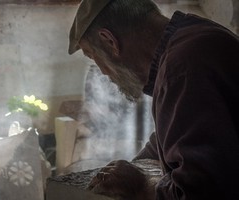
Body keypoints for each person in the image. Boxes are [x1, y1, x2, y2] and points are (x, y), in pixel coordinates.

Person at [68, 0, 239, 199]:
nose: (104, 73)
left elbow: (199, 192)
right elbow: (181, 133)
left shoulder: (182, 68)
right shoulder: (194, 35)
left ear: (110, 41)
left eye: (93, 57)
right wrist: (135, 166)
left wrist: (140, 184)